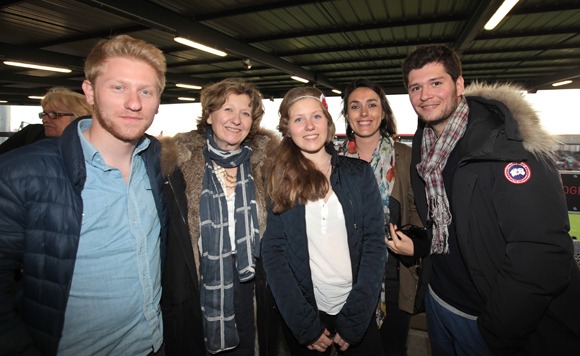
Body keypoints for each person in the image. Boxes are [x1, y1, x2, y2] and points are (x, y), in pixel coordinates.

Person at [403, 44, 580, 356]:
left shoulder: (510, 146)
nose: (424, 95)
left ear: (459, 85)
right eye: (416, 87)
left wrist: (497, 330)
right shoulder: (424, 143)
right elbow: (446, 222)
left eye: (436, 83)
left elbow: (543, 253)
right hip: (439, 299)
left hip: (484, 318)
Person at [0, 35, 168, 356]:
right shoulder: (21, 173)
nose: (134, 102)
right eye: (118, 87)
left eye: (146, 91)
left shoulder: (159, 162)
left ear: (158, 100)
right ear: (89, 92)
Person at [159, 78, 279, 356]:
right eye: (227, 109)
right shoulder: (176, 165)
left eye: (245, 113)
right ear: (209, 114)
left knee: (248, 347)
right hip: (199, 282)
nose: (236, 120)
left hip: (250, 282)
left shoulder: (266, 166)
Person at [262, 86, 386, 356]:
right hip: (307, 310)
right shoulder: (279, 179)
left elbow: (375, 245)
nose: (309, 126)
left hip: (355, 308)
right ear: (287, 128)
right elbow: (274, 253)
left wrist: (355, 319)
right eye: (298, 119)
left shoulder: (358, 174)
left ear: (328, 122)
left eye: (316, 117)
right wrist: (303, 323)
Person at [336, 78, 428, 356]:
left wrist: (415, 244)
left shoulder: (409, 157)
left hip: (394, 277)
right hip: (343, 277)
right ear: (347, 116)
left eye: (371, 105)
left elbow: (422, 216)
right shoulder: (332, 160)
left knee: (391, 349)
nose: (364, 113)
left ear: (384, 113)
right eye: (355, 106)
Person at [0, 87, 92, 155]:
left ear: (78, 117)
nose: (45, 120)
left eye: (54, 114)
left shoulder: (89, 148)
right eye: (44, 114)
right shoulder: (31, 135)